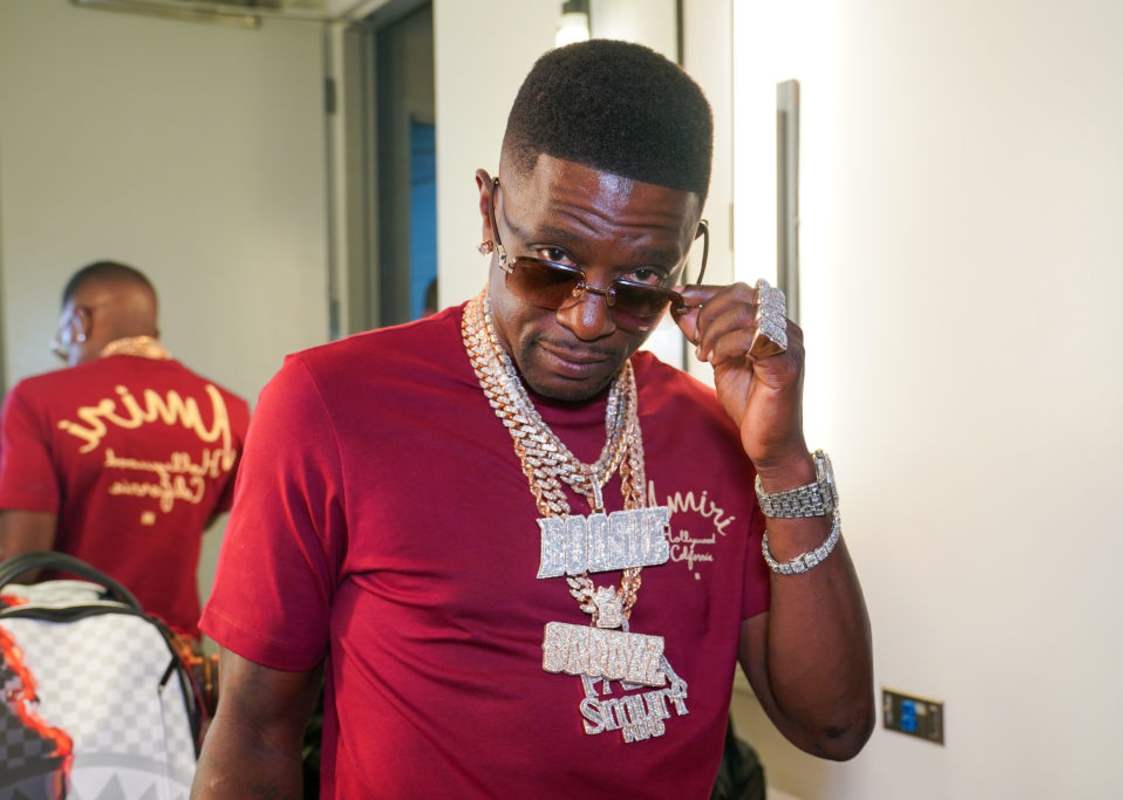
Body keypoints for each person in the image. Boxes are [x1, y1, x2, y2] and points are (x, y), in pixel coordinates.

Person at [195, 40, 874, 798]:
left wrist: (783, 464)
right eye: (551, 260)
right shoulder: (331, 406)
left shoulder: (716, 432)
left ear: (691, 254)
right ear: (489, 210)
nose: (589, 319)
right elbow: (254, 733)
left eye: (642, 282)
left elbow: (835, 727)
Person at [0, 261, 250, 638]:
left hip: (64, 650)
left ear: (79, 322)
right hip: (171, 652)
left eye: (62, 340)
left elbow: (22, 561)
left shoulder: (37, 399)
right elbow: (200, 516)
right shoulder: (228, 411)